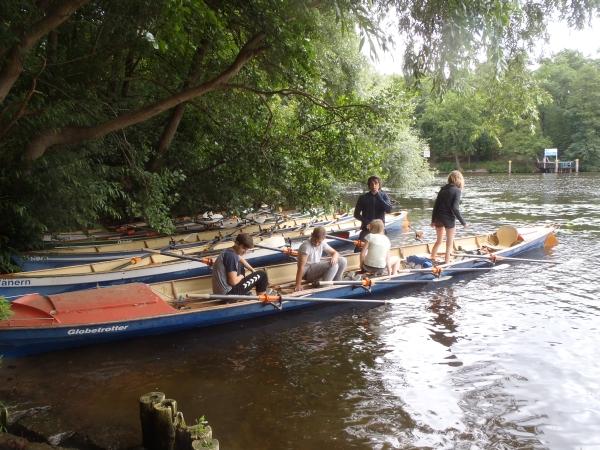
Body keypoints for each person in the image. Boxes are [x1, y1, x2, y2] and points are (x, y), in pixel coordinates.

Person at [212, 233, 269, 302]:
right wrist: (241, 276)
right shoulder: (231, 257)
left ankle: (245, 295)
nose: (245, 252)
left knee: (241, 264)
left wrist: (252, 270)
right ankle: (262, 301)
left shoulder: (230, 251)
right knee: (262, 274)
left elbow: (241, 259)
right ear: (236, 243)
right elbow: (233, 282)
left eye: (247, 249)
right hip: (228, 295)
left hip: (219, 294)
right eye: (243, 248)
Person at [430, 170, 470, 264]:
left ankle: (432, 258)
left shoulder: (443, 189)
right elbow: (455, 208)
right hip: (448, 218)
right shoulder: (457, 190)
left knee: (439, 241)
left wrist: (433, 220)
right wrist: (464, 223)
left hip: (438, 218)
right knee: (449, 244)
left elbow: (436, 206)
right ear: (459, 180)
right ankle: (447, 263)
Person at [295, 226, 348, 291]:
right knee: (333, 265)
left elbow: (335, 253)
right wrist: (298, 284)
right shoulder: (306, 247)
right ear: (311, 235)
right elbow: (301, 267)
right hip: (307, 273)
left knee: (343, 260)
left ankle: (337, 282)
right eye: (315, 241)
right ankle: (324, 288)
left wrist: (334, 257)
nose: (317, 244)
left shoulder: (322, 243)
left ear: (323, 239)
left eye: (319, 242)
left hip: (315, 266)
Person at [353, 175, 393, 252]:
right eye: (371, 184)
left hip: (379, 229)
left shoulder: (384, 196)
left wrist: (378, 196)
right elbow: (356, 214)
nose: (374, 186)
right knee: (359, 249)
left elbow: (389, 210)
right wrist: (367, 222)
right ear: (369, 185)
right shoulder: (363, 197)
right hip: (367, 228)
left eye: (376, 183)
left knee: (381, 250)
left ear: (379, 185)